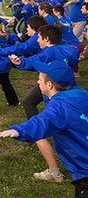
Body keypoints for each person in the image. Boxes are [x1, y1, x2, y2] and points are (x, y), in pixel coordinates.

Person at [0, 60, 87, 197]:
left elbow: (42, 121)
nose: (37, 82)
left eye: (39, 79)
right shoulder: (81, 93)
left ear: (49, 85)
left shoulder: (59, 107)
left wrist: (19, 130)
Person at [8, 24, 80, 183]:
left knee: (52, 129)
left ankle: (54, 170)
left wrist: (18, 62)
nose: (37, 40)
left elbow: (32, 62)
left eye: (39, 38)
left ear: (46, 39)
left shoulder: (48, 52)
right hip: (65, 86)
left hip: (53, 91)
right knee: (29, 102)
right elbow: (75, 59)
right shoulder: (68, 49)